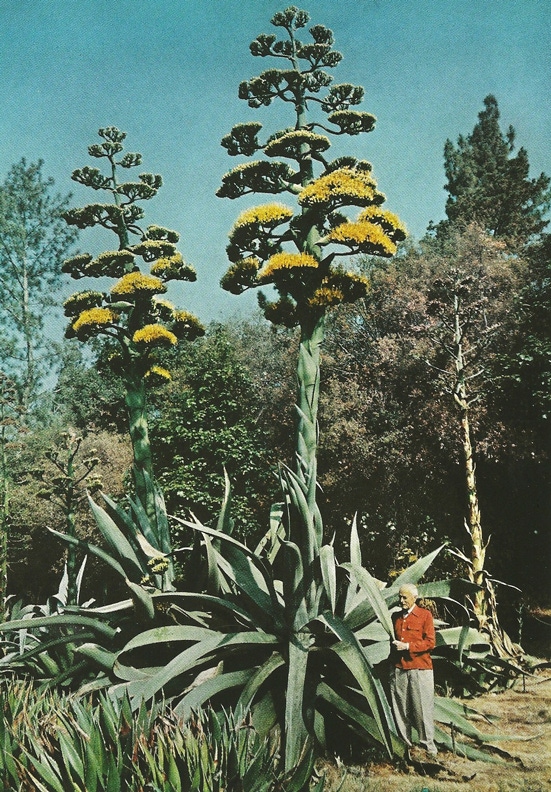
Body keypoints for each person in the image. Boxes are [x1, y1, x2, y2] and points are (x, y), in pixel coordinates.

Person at [389, 583, 438, 759]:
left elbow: (430, 643)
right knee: (400, 710)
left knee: (422, 710)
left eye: (405, 597)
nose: (401, 600)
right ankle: (405, 749)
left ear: (414, 598)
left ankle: (429, 750)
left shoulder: (425, 616)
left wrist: (407, 646)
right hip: (399, 670)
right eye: (400, 597)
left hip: (420, 669)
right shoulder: (395, 617)